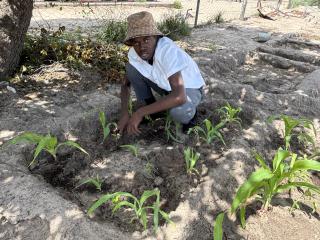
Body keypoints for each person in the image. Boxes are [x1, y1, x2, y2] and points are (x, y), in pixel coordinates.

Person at [117, 11, 205, 135]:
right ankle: (152, 110)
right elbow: (125, 84)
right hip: (167, 87)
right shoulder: (134, 54)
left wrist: (139, 113)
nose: (142, 46)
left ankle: (191, 116)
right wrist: (124, 114)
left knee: (178, 112)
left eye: (146, 40)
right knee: (131, 69)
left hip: (189, 89)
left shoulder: (167, 51)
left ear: (156, 37)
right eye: (136, 42)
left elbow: (180, 96)